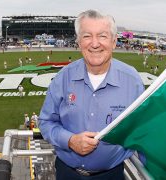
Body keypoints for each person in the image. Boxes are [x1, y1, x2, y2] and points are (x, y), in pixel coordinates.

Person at [38, 10, 145, 180]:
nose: (95, 44)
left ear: (114, 41)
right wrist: (70, 140)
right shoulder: (63, 78)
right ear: (79, 42)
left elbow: (143, 131)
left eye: (102, 36)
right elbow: (45, 122)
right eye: (87, 36)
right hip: (67, 174)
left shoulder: (132, 82)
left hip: (111, 175)